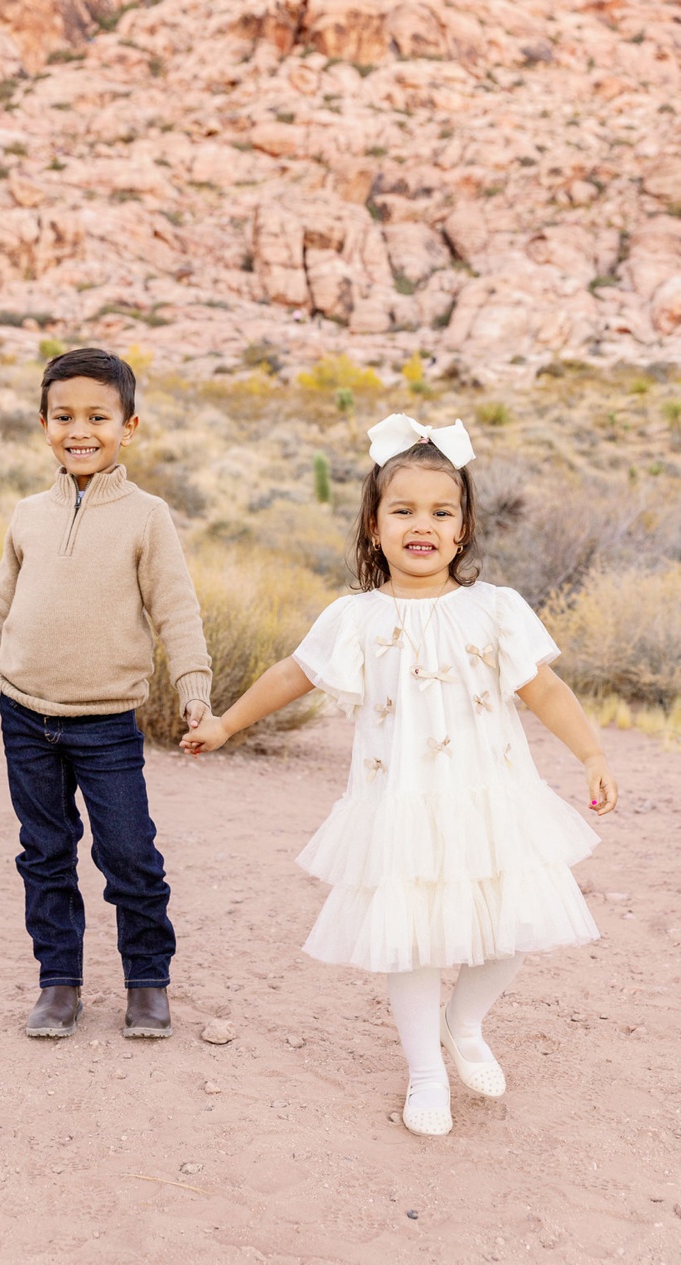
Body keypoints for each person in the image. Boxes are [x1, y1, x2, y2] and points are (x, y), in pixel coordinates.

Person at [182, 413, 618, 1136]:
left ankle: (464, 1022)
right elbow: (295, 673)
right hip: (399, 802)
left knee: (510, 929)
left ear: (465, 527)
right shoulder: (355, 616)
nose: (424, 523)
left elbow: (543, 688)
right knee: (411, 938)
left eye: (442, 511)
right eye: (404, 509)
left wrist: (593, 754)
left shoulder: (494, 609)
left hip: (492, 797)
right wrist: (227, 722)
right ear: (374, 527)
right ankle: (424, 1073)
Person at [0, 347, 212, 1041]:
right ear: (43, 424)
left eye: (98, 416)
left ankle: (148, 984)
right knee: (44, 852)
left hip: (106, 722)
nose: (81, 429)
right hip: (24, 712)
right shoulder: (27, 514)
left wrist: (193, 686)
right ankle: (59, 983)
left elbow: (177, 609)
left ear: (129, 426)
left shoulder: (147, 515)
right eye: (64, 415)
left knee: (129, 853)